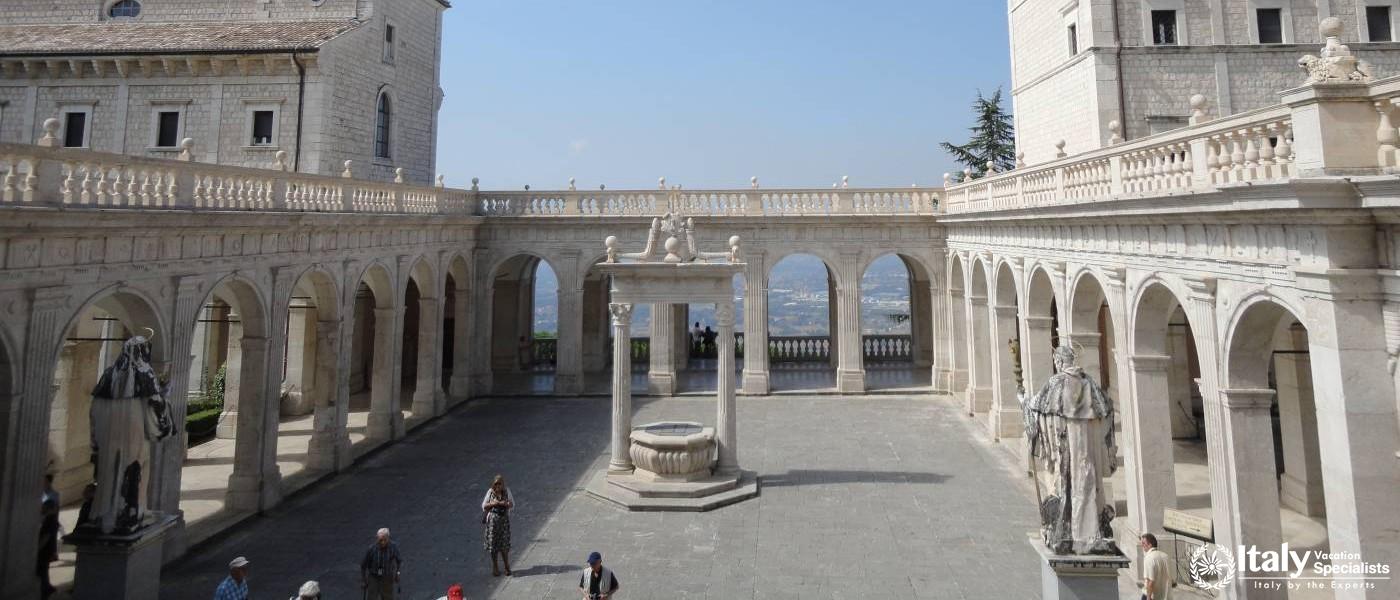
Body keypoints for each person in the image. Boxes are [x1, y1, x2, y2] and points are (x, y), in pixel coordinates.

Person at [481, 474, 515, 576]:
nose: (498, 486)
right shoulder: (490, 492)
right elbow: (484, 506)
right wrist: (493, 503)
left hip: (503, 522)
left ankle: (506, 566)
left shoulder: (507, 491)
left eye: (500, 484)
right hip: (492, 523)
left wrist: (506, 504)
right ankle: (495, 566)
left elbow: (512, 504)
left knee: (504, 545)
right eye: (496, 484)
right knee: (493, 545)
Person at [360, 528, 402, 600]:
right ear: (377, 538)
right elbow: (363, 565)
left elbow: (399, 561)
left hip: (387, 577)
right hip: (374, 577)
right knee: (371, 598)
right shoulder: (372, 549)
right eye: (380, 540)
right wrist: (364, 580)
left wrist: (398, 573)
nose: (382, 542)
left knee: (388, 597)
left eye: (384, 540)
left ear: (388, 538)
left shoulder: (393, 547)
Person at [37, 473, 60, 599]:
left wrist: (38, 547)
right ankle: (47, 588)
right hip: (44, 542)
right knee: (43, 569)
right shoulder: (41, 493)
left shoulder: (54, 495)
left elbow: (47, 536)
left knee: (42, 569)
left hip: (44, 549)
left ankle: (46, 589)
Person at [1140, 533, 1172, 599]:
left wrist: (1148, 598)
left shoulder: (1148, 558)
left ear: (1150, 544)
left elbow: (1150, 581)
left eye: (1143, 543)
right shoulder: (1166, 556)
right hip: (1166, 597)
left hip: (1152, 596)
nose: (1142, 545)